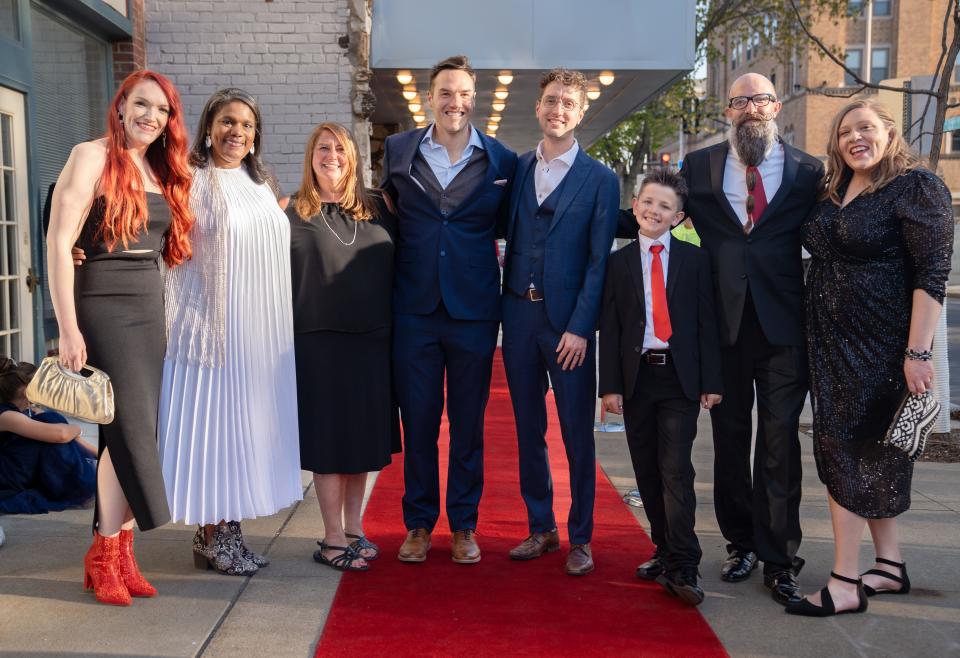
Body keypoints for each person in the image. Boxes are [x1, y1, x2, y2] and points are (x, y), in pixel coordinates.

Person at [787, 99, 953, 617]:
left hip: (878, 347)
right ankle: (888, 565)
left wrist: (918, 353)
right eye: (844, 133)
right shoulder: (833, 189)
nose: (854, 139)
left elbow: (932, 276)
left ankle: (843, 582)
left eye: (865, 128)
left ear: (888, 131)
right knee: (868, 453)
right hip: (830, 344)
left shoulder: (916, 187)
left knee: (845, 452)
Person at [47, 70, 193, 606]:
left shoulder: (159, 167)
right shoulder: (90, 155)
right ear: (122, 104)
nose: (150, 117)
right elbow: (59, 241)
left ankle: (119, 550)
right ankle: (106, 551)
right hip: (102, 303)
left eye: (161, 110)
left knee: (125, 431)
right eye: (141, 105)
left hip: (148, 306)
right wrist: (66, 326)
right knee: (133, 432)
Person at [677, 73, 823, 605]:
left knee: (780, 442)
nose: (750, 109)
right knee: (730, 441)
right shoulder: (699, 166)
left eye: (760, 99)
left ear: (777, 106)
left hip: (785, 326)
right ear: (728, 111)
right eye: (739, 101)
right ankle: (741, 543)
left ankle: (780, 557)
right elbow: (660, 215)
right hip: (723, 327)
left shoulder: (809, 170)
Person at [380, 55, 517, 565]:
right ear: (429, 96)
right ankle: (418, 523)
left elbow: (511, 227)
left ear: (473, 99)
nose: (454, 102)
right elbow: (383, 215)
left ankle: (464, 524)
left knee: (467, 424)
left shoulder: (502, 160)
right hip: (413, 308)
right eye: (445, 92)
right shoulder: (397, 149)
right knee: (417, 422)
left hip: (474, 311)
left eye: (463, 94)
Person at [159, 88, 302, 576]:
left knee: (243, 433)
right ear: (208, 127)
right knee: (218, 432)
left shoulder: (258, 180)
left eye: (245, 124)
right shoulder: (195, 179)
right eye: (226, 122)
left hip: (259, 328)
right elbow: (171, 248)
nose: (236, 131)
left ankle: (225, 534)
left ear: (255, 133)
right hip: (216, 325)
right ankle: (215, 536)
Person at [501, 68, 618, 576]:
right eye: (551, 101)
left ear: (581, 111)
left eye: (568, 103)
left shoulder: (601, 179)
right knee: (528, 430)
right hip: (519, 319)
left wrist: (579, 327)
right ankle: (541, 526)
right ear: (538, 106)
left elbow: (599, 260)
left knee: (576, 433)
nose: (558, 110)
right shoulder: (518, 169)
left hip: (568, 326)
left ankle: (581, 537)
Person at [599, 169, 722, 606]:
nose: (654, 211)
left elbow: (707, 323)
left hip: (679, 378)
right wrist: (609, 387)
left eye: (665, 207)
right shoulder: (618, 263)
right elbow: (611, 328)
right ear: (635, 206)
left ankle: (685, 563)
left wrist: (712, 381)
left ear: (679, 216)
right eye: (648, 202)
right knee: (647, 470)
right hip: (636, 381)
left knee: (675, 470)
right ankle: (663, 549)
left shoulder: (694, 261)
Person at [287, 122, 398, 572]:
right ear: (310, 156)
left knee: (361, 442)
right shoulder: (290, 210)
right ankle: (332, 539)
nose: (332, 155)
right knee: (330, 443)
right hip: (318, 343)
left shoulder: (380, 207)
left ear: (354, 158)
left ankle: (354, 528)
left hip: (373, 341)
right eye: (323, 148)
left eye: (340, 148)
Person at [0, 357, 97, 514]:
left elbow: (68, 436)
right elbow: (62, 435)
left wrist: (101, 454)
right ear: (26, 391)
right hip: (6, 477)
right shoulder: (6, 415)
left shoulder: (26, 412)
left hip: (19, 470)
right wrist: (77, 428)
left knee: (51, 420)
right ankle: (71, 485)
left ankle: (73, 484)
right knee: (51, 421)